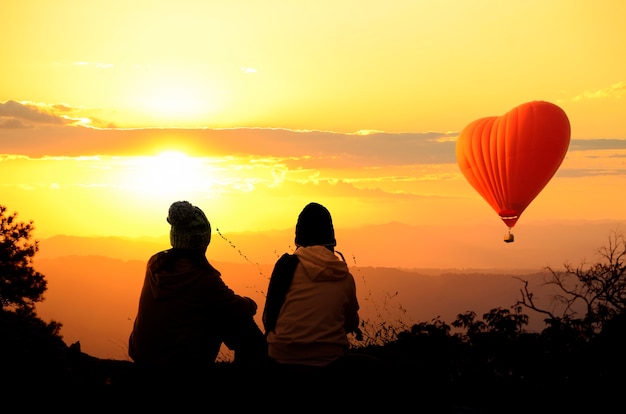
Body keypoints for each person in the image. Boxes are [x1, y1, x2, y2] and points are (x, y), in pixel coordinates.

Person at [128, 200, 266, 387]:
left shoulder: (155, 263)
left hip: (143, 356)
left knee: (219, 309)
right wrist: (251, 303)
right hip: (182, 367)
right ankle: (247, 380)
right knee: (236, 319)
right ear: (203, 241)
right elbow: (237, 307)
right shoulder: (204, 279)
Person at [262, 202, 362, 377]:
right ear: (332, 241)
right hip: (330, 363)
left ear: (298, 239)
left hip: (280, 362)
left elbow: (269, 319)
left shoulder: (286, 267)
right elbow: (350, 324)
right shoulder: (345, 277)